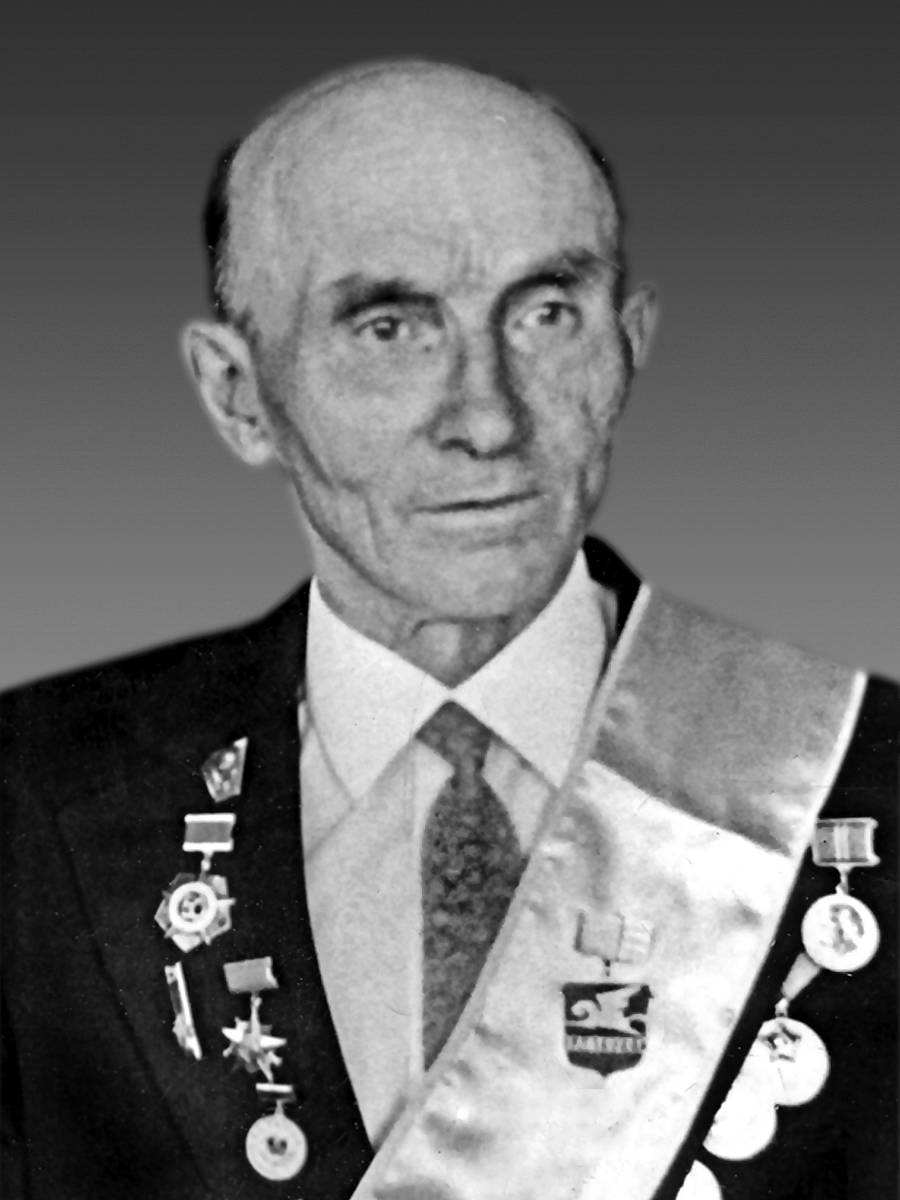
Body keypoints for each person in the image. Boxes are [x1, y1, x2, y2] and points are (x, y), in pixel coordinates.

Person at [1, 59, 896, 1200]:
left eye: (546, 315)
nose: (488, 417)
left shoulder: (854, 772)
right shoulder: (29, 800)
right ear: (238, 394)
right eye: (389, 328)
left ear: (628, 347)